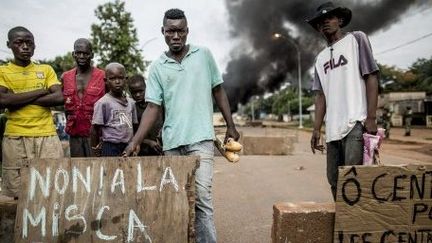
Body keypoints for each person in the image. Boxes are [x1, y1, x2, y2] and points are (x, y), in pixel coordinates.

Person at [123, 9, 240, 242]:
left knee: (202, 201)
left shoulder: (204, 55)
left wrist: (230, 124)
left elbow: (217, 90)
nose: (176, 36)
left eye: (180, 31)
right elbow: (153, 107)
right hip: (172, 144)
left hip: (201, 140)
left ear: (187, 31)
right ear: (163, 32)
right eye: (170, 31)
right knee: (175, 201)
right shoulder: (157, 67)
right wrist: (134, 142)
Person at [307, 2, 379, 200]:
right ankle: (343, 224)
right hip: (333, 130)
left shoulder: (356, 39)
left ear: (339, 20)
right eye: (320, 22)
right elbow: (320, 96)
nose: (324, 24)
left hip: (355, 123)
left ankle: (354, 225)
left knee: (353, 179)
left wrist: (371, 118)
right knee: (333, 179)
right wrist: (316, 129)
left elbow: (371, 76)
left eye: (328, 18)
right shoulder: (320, 59)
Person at [0, 26, 64, 199]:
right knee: (19, 193)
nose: (25, 47)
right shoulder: (3, 71)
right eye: (19, 43)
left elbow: (59, 97)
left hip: (47, 136)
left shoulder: (46, 69)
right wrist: (41, 91)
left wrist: (17, 99)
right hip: (16, 138)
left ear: (34, 46)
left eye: (29, 43)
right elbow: (3, 101)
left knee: (53, 188)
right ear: (9, 45)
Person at [62, 38, 105, 157]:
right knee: (78, 170)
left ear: (92, 55)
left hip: (96, 135)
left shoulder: (102, 76)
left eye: (85, 53)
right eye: (78, 53)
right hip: (75, 135)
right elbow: (65, 106)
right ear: (73, 54)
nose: (81, 56)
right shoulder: (65, 77)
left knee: (97, 171)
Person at [91, 63, 138, 157]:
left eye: (120, 78)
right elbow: (95, 129)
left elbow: (135, 125)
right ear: (106, 81)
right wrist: (95, 148)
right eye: (112, 79)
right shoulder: (103, 103)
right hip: (110, 146)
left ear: (126, 79)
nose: (117, 82)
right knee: (111, 171)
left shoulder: (131, 103)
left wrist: (135, 144)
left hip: (128, 146)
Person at [127, 74, 163, 156]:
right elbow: (131, 134)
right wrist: (149, 142)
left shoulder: (157, 106)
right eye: (134, 92)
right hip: (141, 150)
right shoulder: (132, 109)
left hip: (160, 147)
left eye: (141, 91)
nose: (138, 95)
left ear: (146, 88)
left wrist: (160, 137)